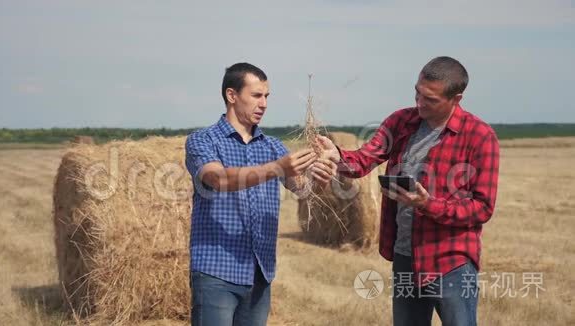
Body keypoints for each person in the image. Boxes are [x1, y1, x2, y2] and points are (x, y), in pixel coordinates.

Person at [318, 56, 499, 326]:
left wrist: (427, 204)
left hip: (451, 262)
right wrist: (337, 156)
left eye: (431, 99)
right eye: (417, 92)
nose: (420, 103)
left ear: (456, 98)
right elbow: (364, 160)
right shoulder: (400, 121)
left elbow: (482, 208)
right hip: (406, 257)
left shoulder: (480, 137)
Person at [185, 62, 336, 326]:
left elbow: (303, 190)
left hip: (260, 274)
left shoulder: (273, 146)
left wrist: (321, 177)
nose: (264, 103)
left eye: (267, 96)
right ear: (232, 96)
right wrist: (277, 168)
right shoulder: (203, 140)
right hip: (216, 272)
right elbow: (217, 178)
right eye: (256, 95)